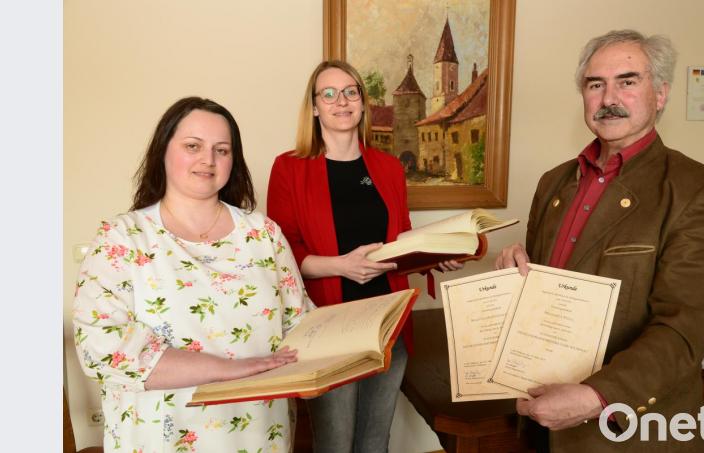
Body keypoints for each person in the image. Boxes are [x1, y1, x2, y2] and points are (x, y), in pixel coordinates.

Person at [496, 30, 704, 452]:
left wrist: (596, 397)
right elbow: (548, 293)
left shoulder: (699, 191)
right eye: (595, 84)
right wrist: (517, 271)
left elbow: (685, 329)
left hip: (629, 432)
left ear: (660, 94)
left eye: (627, 81)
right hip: (542, 417)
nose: (609, 96)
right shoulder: (554, 182)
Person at [73, 97, 314, 452]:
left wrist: (355, 335)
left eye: (222, 150)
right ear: (163, 151)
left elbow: (300, 324)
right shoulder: (121, 238)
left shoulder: (263, 234)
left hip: (259, 433)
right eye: (193, 146)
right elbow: (104, 350)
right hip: (162, 437)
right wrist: (227, 368)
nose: (208, 160)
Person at [267, 60, 461, 453]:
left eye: (351, 92)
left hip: (387, 325)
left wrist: (433, 255)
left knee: (375, 442)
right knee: (335, 444)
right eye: (330, 93)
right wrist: (342, 266)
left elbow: (398, 239)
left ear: (363, 103)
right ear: (315, 106)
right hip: (328, 327)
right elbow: (282, 255)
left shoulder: (388, 168)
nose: (342, 101)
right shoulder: (289, 168)